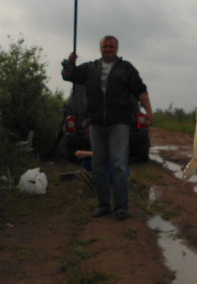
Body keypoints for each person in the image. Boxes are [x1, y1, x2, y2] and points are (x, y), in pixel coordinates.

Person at [62, 35, 153, 220]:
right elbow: (70, 76)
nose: (108, 49)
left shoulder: (126, 68)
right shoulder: (90, 68)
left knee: (119, 166)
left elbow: (140, 90)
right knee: (98, 166)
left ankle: (121, 208)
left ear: (117, 48)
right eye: (105, 46)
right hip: (96, 124)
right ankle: (103, 205)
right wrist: (69, 65)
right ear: (100, 48)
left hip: (119, 123)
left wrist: (149, 111)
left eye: (111, 46)